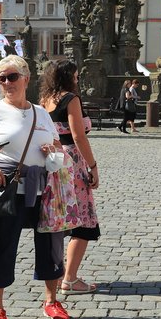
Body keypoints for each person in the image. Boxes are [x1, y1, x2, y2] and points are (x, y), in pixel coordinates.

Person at [0, 55, 70, 319]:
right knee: (3, 245)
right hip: (7, 187)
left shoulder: (40, 113)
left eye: (12, 77)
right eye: (1, 79)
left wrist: (55, 153)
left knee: (50, 244)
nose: (6, 83)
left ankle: (51, 300)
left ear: (26, 78)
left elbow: (57, 145)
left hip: (41, 187)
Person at [39, 60, 100, 295]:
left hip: (52, 161)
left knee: (59, 217)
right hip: (72, 162)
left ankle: (60, 274)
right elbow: (78, 136)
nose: (77, 79)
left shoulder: (44, 101)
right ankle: (70, 278)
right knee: (83, 221)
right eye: (75, 76)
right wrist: (92, 166)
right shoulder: (71, 99)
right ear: (68, 77)